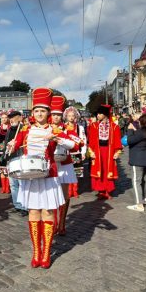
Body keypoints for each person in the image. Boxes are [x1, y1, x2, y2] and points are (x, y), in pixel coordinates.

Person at [8, 88, 75, 268]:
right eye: (36, 111)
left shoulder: (54, 129)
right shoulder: (25, 130)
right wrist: (11, 145)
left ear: (48, 113)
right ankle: (36, 252)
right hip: (30, 177)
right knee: (33, 212)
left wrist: (58, 138)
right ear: (33, 113)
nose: (39, 114)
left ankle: (46, 253)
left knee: (47, 211)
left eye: (43, 111)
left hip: (49, 175)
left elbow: (73, 145)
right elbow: (14, 147)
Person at [50, 97, 81, 236]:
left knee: (64, 195)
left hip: (65, 164)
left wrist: (60, 134)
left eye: (58, 114)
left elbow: (78, 144)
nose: (55, 117)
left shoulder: (67, 128)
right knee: (51, 196)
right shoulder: (45, 128)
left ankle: (62, 224)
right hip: (50, 165)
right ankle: (53, 223)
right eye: (53, 114)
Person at [87, 105, 122, 199]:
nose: (97, 115)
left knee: (107, 170)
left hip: (109, 151)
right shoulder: (94, 125)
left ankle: (107, 190)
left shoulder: (114, 127)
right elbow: (91, 140)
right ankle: (101, 191)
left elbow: (117, 140)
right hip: (98, 151)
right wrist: (91, 151)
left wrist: (117, 152)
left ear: (105, 114)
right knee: (100, 170)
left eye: (100, 113)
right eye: (97, 113)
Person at [3, 109, 27, 215]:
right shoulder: (9, 130)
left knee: (22, 183)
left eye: (14, 117)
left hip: (21, 158)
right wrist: (5, 158)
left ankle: (24, 206)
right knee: (13, 184)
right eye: (10, 118)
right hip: (11, 159)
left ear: (20, 118)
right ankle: (17, 204)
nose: (11, 119)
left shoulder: (23, 128)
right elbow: (6, 145)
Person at [125, 114, 146, 212]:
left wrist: (130, 130)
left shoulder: (141, 132)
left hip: (138, 159)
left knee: (136, 182)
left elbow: (130, 140)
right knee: (143, 180)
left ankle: (139, 205)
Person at [63, 107, 87, 198]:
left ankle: (75, 191)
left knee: (76, 173)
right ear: (66, 117)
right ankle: (69, 191)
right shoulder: (64, 127)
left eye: (73, 116)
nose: (71, 117)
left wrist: (83, 152)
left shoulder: (80, 127)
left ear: (75, 116)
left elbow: (83, 139)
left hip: (77, 152)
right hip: (67, 153)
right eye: (69, 116)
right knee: (68, 173)